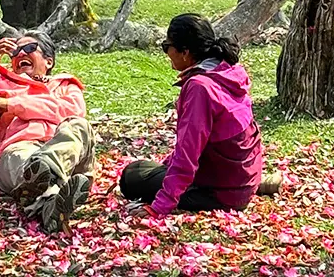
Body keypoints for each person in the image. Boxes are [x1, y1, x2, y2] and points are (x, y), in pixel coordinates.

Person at [119, 13, 280, 216]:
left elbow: (188, 154)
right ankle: (255, 185)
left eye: (166, 46)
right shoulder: (229, 71)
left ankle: (232, 193)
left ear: (185, 52)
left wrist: (159, 207)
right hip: (244, 178)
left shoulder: (199, 88)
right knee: (159, 169)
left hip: (220, 193)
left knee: (132, 176)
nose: (166, 52)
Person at [0, 32, 94, 233]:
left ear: (49, 61)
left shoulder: (65, 85)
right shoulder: (0, 86)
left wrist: (12, 105)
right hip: (21, 149)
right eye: (15, 51)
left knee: (78, 126)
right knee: (22, 159)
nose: (20, 54)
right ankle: (51, 205)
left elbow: (71, 111)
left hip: (67, 155)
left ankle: (45, 169)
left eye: (29, 48)